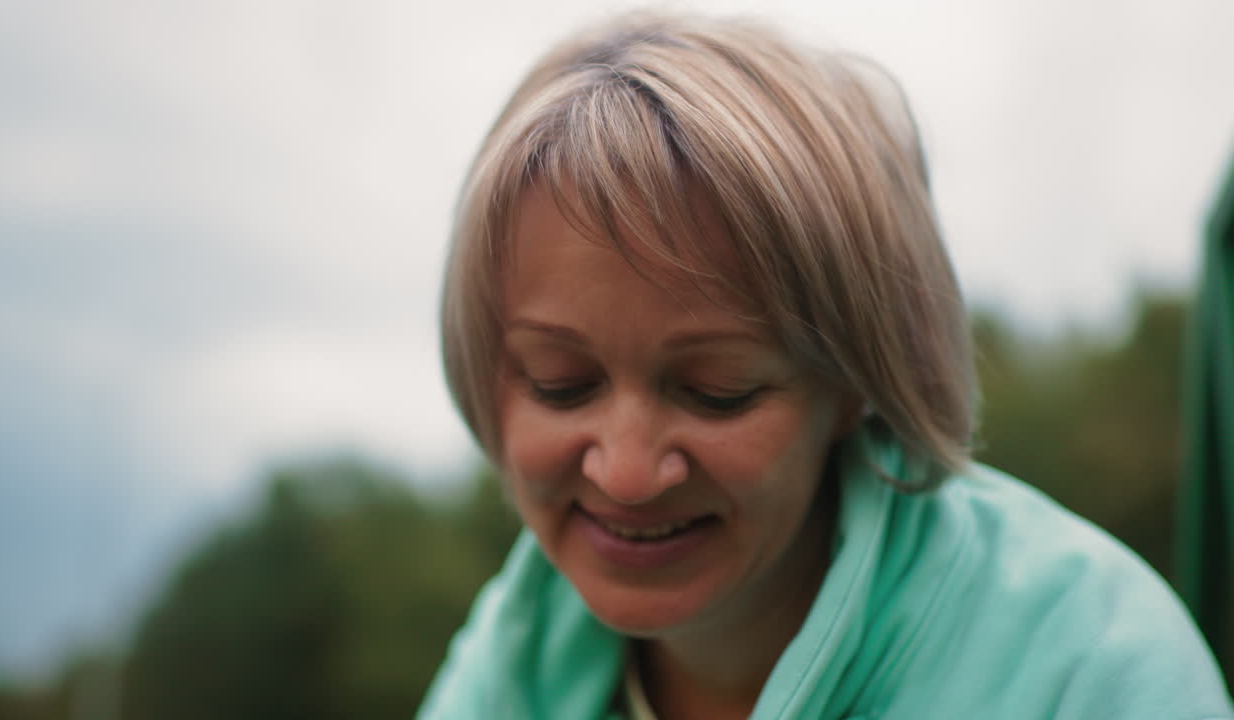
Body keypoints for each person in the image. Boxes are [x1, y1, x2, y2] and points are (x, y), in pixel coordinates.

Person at [418, 12, 1233, 720]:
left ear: (856, 381)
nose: (628, 474)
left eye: (717, 392)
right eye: (561, 385)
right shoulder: (510, 659)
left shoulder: (1092, 669)